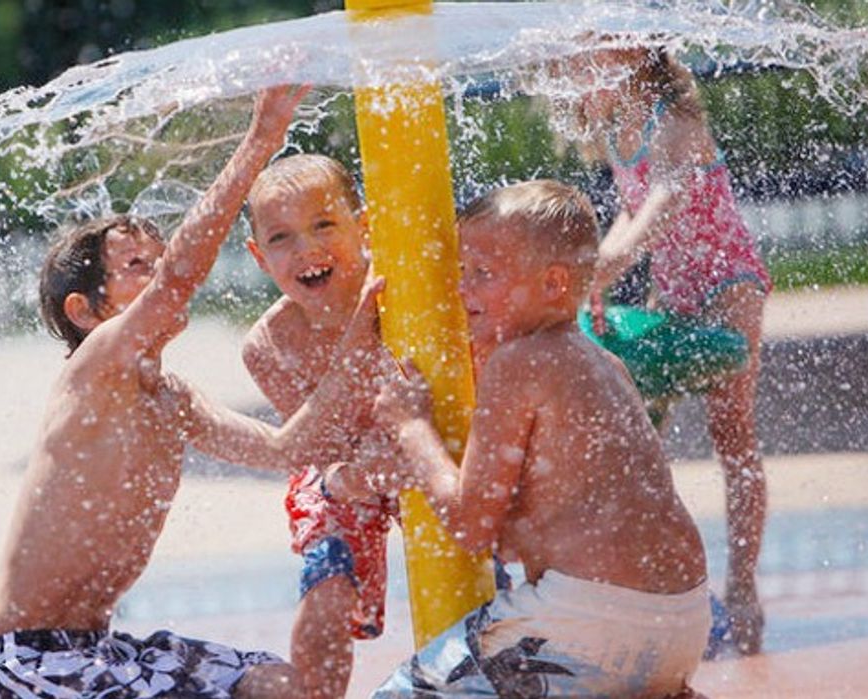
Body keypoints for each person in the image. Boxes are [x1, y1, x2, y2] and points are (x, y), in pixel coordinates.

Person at [0, 85, 375, 699]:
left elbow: (290, 450)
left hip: (101, 650)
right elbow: (184, 274)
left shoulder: (170, 397)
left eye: (158, 258)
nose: (162, 271)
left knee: (294, 690)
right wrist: (260, 141)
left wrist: (363, 330)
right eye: (139, 268)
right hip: (32, 662)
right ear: (86, 310)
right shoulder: (95, 367)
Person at [333, 180, 710, 698]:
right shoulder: (608, 364)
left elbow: (470, 526)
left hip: (587, 622)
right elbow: (554, 517)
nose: (463, 291)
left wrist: (412, 429)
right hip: (684, 620)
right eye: (462, 273)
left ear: (554, 284)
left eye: (483, 275)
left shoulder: (520, 363)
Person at [563, 42, 772, 654]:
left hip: (730, 281)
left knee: (732, 435)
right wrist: (602, 267)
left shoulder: (676, 121)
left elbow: (663, 201)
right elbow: (630, 218)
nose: (580, 69)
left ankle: (743, 586)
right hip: (673, 289)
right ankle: (658, 584)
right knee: (638, 437)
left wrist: (605, 265)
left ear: (633, 50)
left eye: (591, 53)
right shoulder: (612, 128)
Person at [240, 154, 399, 699]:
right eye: (281, 238)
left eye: (325, 224)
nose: (306, 249)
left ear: (365, 226)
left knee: (480, 547)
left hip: (419, 446)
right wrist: (350, 478)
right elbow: (311, 445)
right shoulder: (269, 346)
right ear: (260, 258)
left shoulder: (401, 293)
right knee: (325, 578)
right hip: (340, 467)